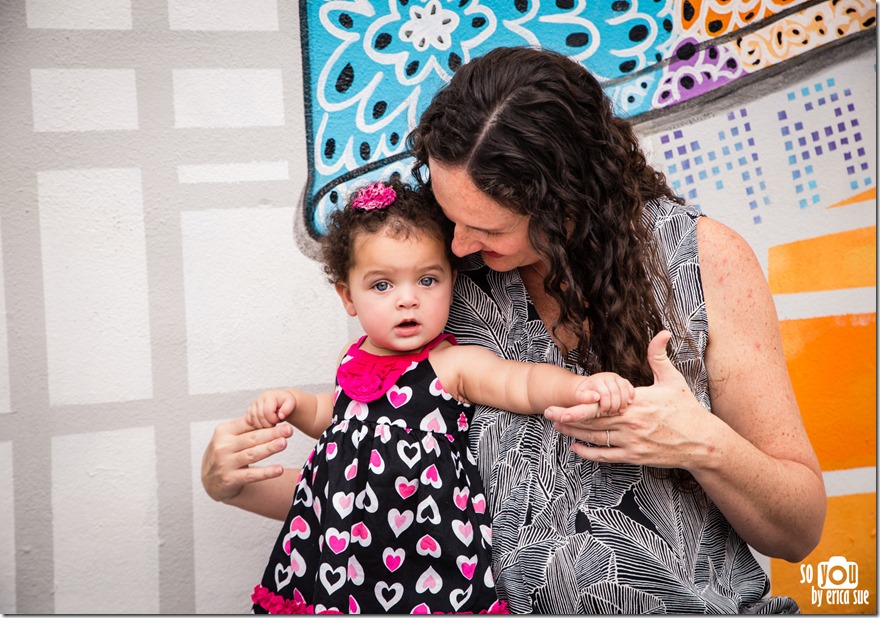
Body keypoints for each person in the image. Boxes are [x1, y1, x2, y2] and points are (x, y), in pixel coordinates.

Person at [202, 46, 826, 613]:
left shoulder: (698, 258)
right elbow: (377, 495)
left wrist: (699, 442)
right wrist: (234, 483)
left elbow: (797, 531)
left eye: (490, 229)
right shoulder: (437, 288)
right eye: (450, 216)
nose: (458, 243)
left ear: (569, 201)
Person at [246, 178, 635, 614]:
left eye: (427, 280)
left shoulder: (450, 364)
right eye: (382, 286)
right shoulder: (349, 359)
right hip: (340, 542)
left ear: (452, 281)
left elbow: (520, 382)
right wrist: (295, 405)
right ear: (347, 297)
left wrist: (580, 386)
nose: (407, 300)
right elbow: (336, 417)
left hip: (423, 545)